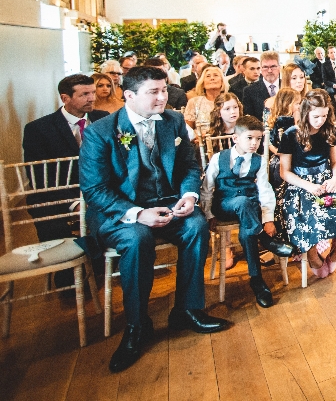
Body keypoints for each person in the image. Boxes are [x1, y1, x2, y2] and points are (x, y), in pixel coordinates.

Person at [80, 66, 230, 373]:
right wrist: (138, 214)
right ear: (130, 96)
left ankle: (187, 310)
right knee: (137, 239)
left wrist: (188, 196)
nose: (163, 97)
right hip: (121, 212)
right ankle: (137, 325)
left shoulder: (173, 121)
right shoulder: (99, 132)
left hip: (168, 204)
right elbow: (94, 190)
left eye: (164, 90)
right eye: (154, 92)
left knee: (197, 225)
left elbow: (189, 165)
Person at [23, 74, 108, 289]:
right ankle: (70, 273)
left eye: (92, 92)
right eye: (85, 94)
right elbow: (40, 179)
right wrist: (74, 202)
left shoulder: (103, 119)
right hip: (57, 196)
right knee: (55, 217)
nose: (92, 98)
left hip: (99, 190)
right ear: (65, 98)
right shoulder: (39, 130)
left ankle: (103, 264)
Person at [201, 115, 294, 308]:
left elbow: (265, 190)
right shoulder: (220, 158)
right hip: (225, 205)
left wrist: (268, 218)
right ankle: (266, 241)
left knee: (247, 231)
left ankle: (257, 280)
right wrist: (209, 214)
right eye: (249, 138)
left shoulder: (259, 162)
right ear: (236, 138)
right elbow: (207, 188)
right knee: (243, 202)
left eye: (258, 139)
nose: (254, 143)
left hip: (250, 208)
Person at [276, 90, 336, 278]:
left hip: (327, 179)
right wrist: (308, 186)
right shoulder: (290, 135)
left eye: (324, 115)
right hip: (300, 184)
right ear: (305, 113)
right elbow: (284, 172)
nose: (320, 120)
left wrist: (335, 178)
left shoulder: (330, 131)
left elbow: (335, 162)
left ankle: (334, 255)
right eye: (316, 116)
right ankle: (314, 258)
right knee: (308, 217)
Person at [183, 66, 228, 137]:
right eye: (208, 76)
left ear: (222, 81)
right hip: (201, 143)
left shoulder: (230, 100)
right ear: (203, 83)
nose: (212, 78)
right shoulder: (194, 102)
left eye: (216, 75)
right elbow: (187, 129)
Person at [242, 52, 282, 125]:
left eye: (273, 66)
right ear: (261, 69)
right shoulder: (250, 91)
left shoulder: (287, 86)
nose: (269, 71)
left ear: (279, 68)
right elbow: (250, 119)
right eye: (265, 67)